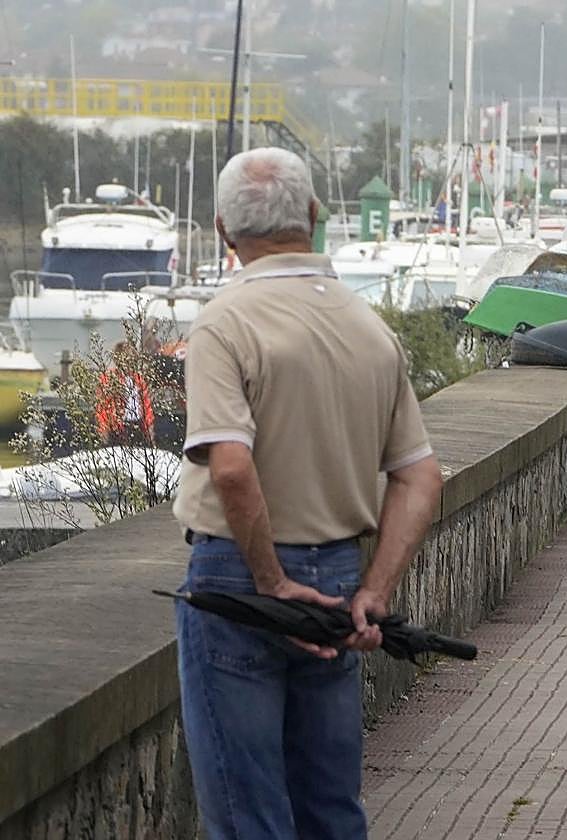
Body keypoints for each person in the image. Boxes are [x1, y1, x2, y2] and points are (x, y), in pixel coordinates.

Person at [172, 147, 444, 839]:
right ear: (316, 218)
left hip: (240, 579)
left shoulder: (225, 323)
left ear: (221, 230)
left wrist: (270, 581)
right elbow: (419, 475)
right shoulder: (369, 329)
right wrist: (375, 591)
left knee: (247, 807)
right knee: (329, 802)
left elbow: (231, 468)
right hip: (339, 577)